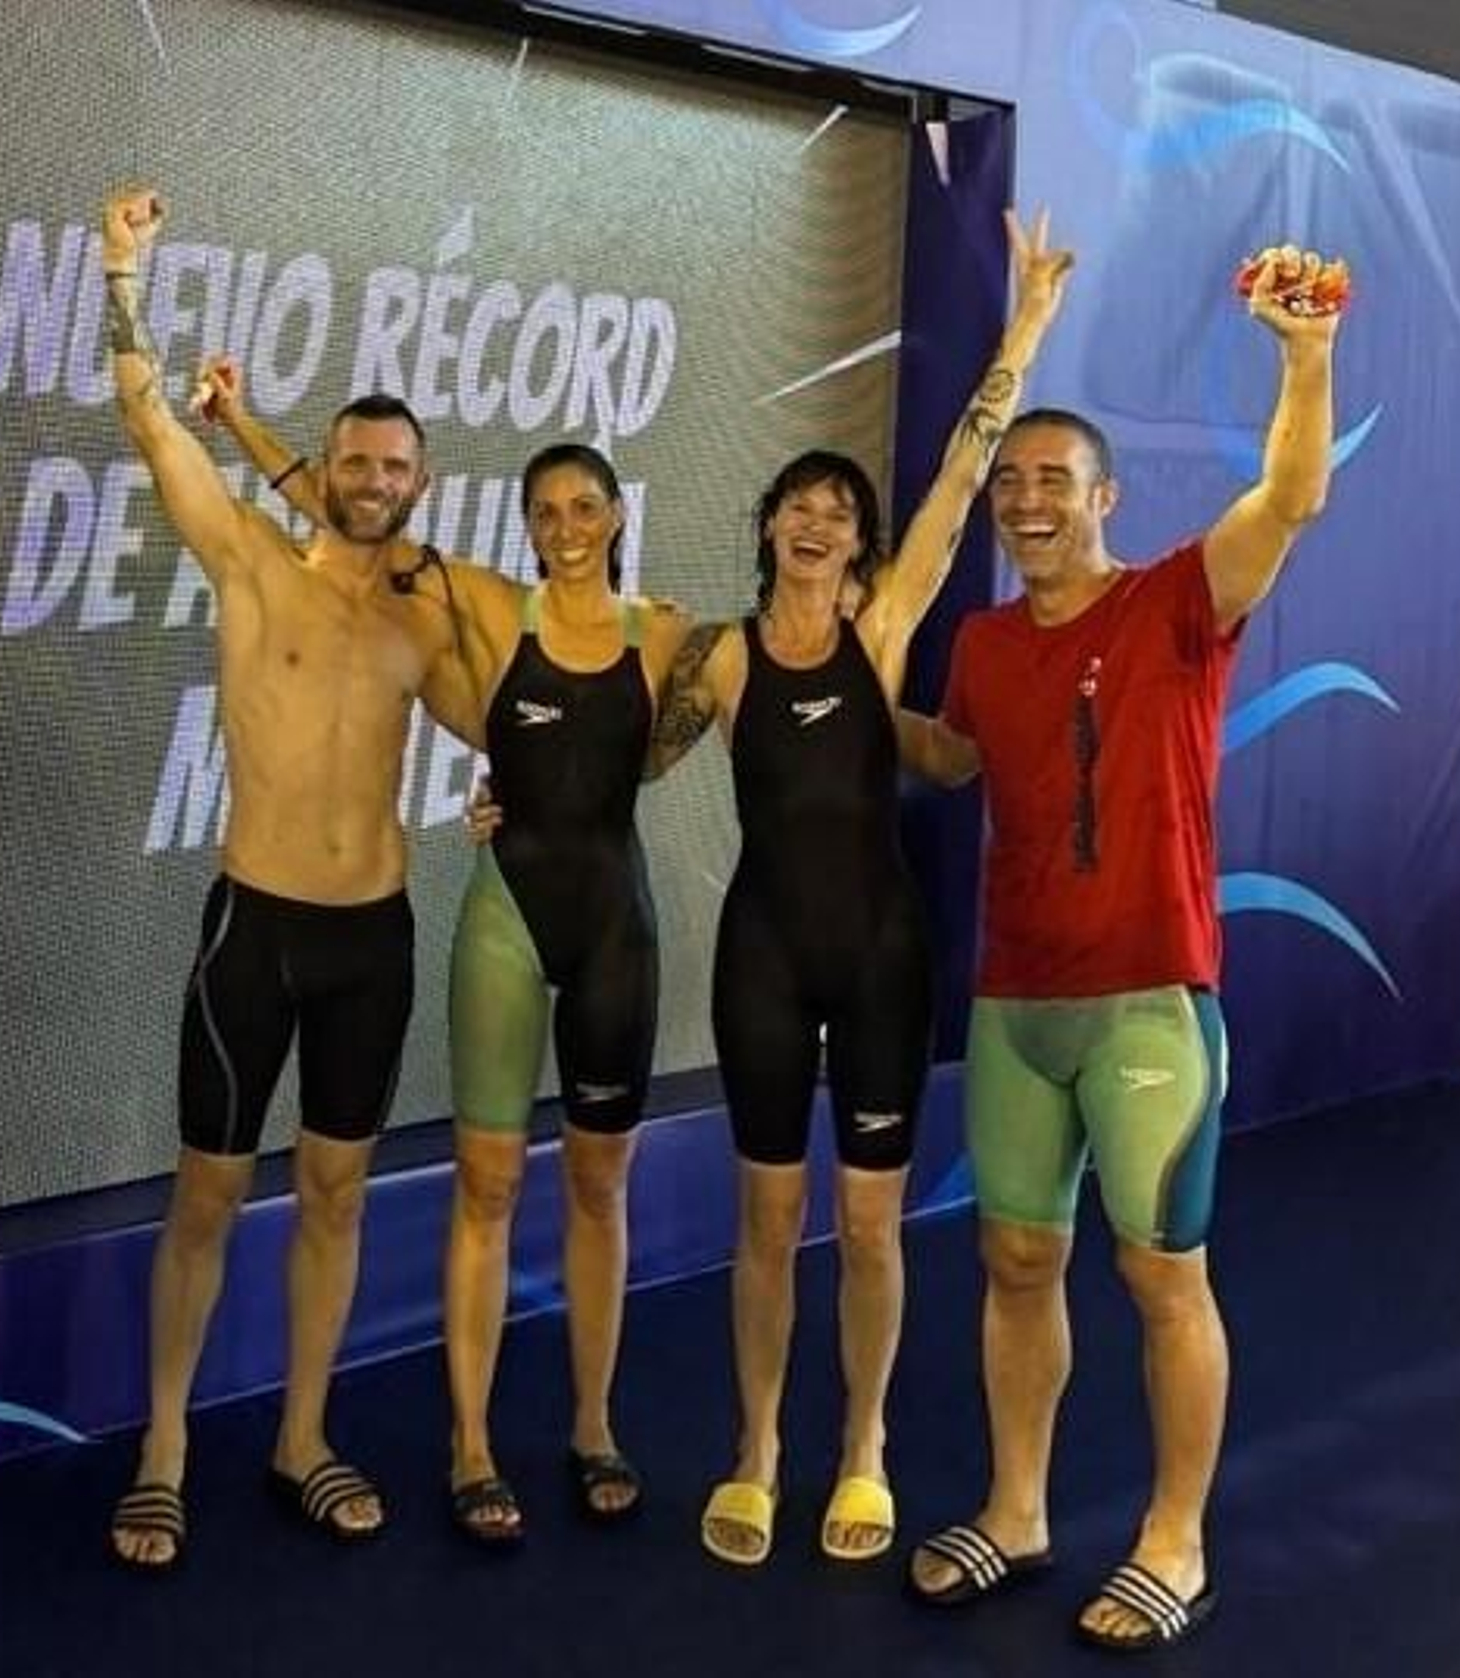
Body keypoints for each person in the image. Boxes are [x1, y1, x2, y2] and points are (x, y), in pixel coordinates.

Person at [900, 245, 1345, 1649]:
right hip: (1015, 1002)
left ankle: (1176, 1539)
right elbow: (955, 759)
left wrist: (1304, 354)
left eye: (1055, 482)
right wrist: (813, 699)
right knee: (1017, 1268)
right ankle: (1018, 1509)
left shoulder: (1176, 602)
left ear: (1105, 498)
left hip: (1151, 999)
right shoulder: (976, 639)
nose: (1027, 502)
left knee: (1163, 1279)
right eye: (1010, 483)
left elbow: (1290, 495)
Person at [642, 210, 1073, 1566]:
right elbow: (615, 760)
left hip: (883, 951)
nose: (820, 520)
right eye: (801, 504)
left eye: (841, 511)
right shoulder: (716, 662)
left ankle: (866, 1445)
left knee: (870, 1220)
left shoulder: (883, 632)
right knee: (768, 1218)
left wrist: (1027, 324)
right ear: (767, 526)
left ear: (861, 546)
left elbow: (964, 472)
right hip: (764, 955)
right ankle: (758, 1446)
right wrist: (506, 798)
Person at [213, 389, 690, 1543]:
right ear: (526, 525)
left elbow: (701, 721)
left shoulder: (665, 631)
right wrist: (239, 427)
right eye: (545, 509)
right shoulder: (484, 600)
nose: (566, 523)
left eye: (584, 505)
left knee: (598, 1185)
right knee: (487, 1185)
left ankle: (591, 1423)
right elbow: (344, 509)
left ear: (616, 514)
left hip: (614, 923)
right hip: (505, 923)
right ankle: (471, 1443)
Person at [100, 189, 478, 1570]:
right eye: (359, 461)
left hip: (369, 938)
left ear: (417, 486)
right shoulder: (250, 563)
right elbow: (150, 421)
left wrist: (510, 795)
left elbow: (506, 725)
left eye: (398, 468)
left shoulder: (424, 620)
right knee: (207, 1191)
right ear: (323, 467)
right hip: (250, 932)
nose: (377, 481)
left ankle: (302, 1435)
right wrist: (124, 271)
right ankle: (163, 1446)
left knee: (334, 1192)